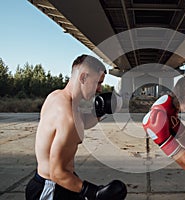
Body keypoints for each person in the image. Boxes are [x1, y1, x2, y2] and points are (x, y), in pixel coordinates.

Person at [25, 54, 127, 200]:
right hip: (52, 188)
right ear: (83, 78)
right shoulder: (68, 116)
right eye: (98, 83)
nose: (99, 89)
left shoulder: (55, 97)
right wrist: (95, 193)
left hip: (58, 181)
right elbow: (57, 173)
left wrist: (100, 111)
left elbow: (82, 123)